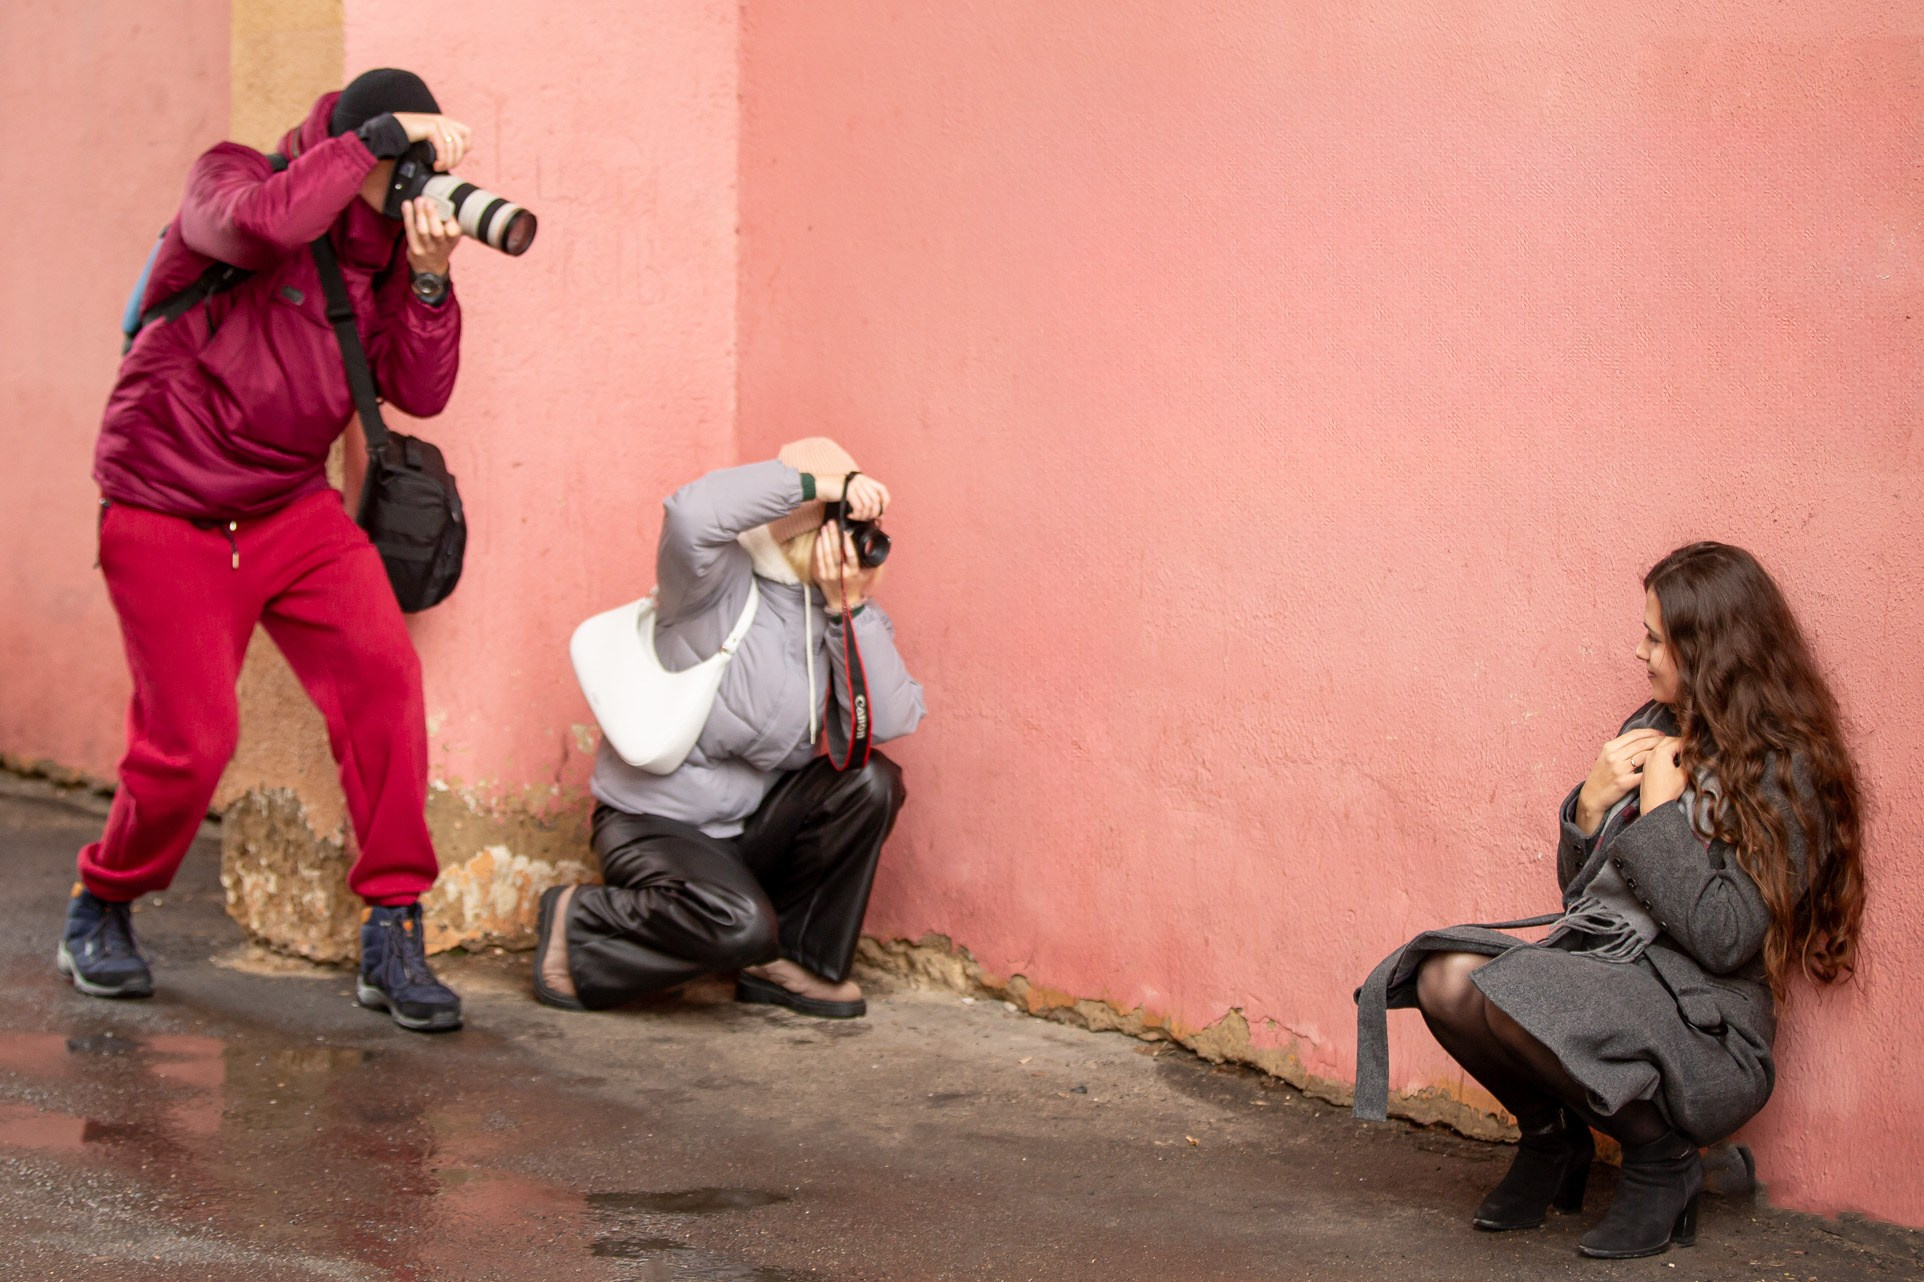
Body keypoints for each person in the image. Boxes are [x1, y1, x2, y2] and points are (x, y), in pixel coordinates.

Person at [63, 69, 478, 1031]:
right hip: (165, 507)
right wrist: (371, 142)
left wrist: (429, 278)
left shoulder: (382, 250)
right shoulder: (235, 176)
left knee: (385, 683)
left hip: (290, 508)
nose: (407, 180)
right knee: (191, 745)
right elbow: (261, 228)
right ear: (357, 140)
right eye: (399, 158)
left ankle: (393, 924)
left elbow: (419, 391)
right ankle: (104, 900)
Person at [1353, 542, 1864, 1260]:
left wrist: (1659, 818)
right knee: (1442, 978)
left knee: (1519, 994)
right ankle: (1551, 1140)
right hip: (1611, 973)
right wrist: (1591, 807)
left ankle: (1663, 1160)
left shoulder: (1786, 770)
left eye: (1655, 638)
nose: (1639, 652)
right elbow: (1583, 901)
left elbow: (1725, 938)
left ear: (1708, 650)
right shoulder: (1653, 725)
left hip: (1707, 1024)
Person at [535, 439, 926, 1018]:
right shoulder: (712, 583)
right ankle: (578, 923)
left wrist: (847, 610)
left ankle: (793, 962)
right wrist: (821, 486)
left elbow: (888, 721)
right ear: (802, 525)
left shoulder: (833, 607)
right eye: (841, 525)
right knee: (739, 924)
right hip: (656, 824)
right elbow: (690, 513)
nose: (853, 545)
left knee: (872, 781)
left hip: (750, 831)